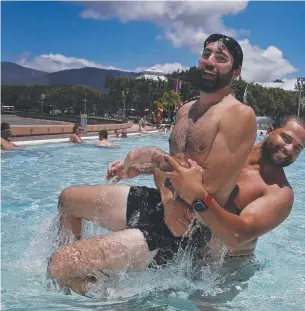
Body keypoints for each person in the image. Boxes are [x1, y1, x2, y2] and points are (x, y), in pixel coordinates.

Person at [47, 33, 257, 296]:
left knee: (59, 264)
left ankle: (112, 296)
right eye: (207, 54)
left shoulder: (238, 114)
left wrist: (154, 157)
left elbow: (204, 187)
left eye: (221, 58)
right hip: (165, 204)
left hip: (185, 228)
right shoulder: (186, 110)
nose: (210, 61)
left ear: (236, 71)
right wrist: (140, 169)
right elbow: (178, 164)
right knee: (68, 199)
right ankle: (87, 279)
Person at [155, 116, 305, 257]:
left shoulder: (280, 193)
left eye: (297, 148)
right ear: (269, 131)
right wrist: (169, 202)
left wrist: (199, 197)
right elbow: (165, 165)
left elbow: (237, 236)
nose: (289, 149)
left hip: (221, 268)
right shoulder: (229, 150)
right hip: (177, 232)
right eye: (286, 138)